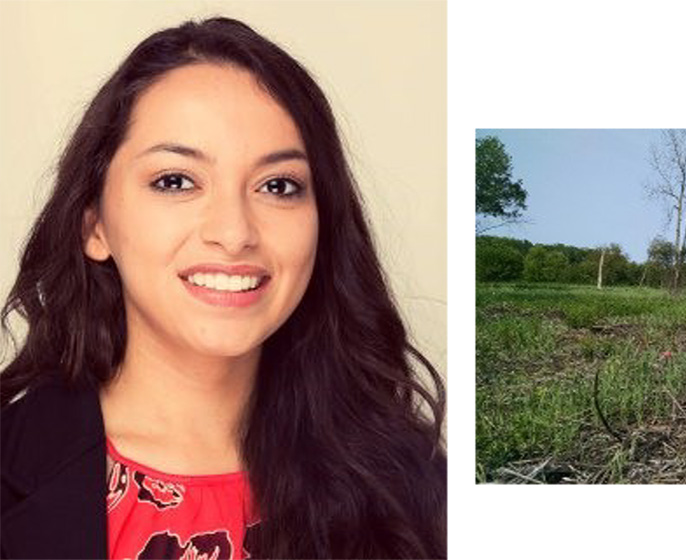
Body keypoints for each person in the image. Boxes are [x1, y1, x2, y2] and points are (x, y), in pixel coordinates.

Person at [0, 17, 446, 559]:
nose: (234, 234)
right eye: (176, 181)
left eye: (278, 186)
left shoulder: (412, 486)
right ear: (94, 225)